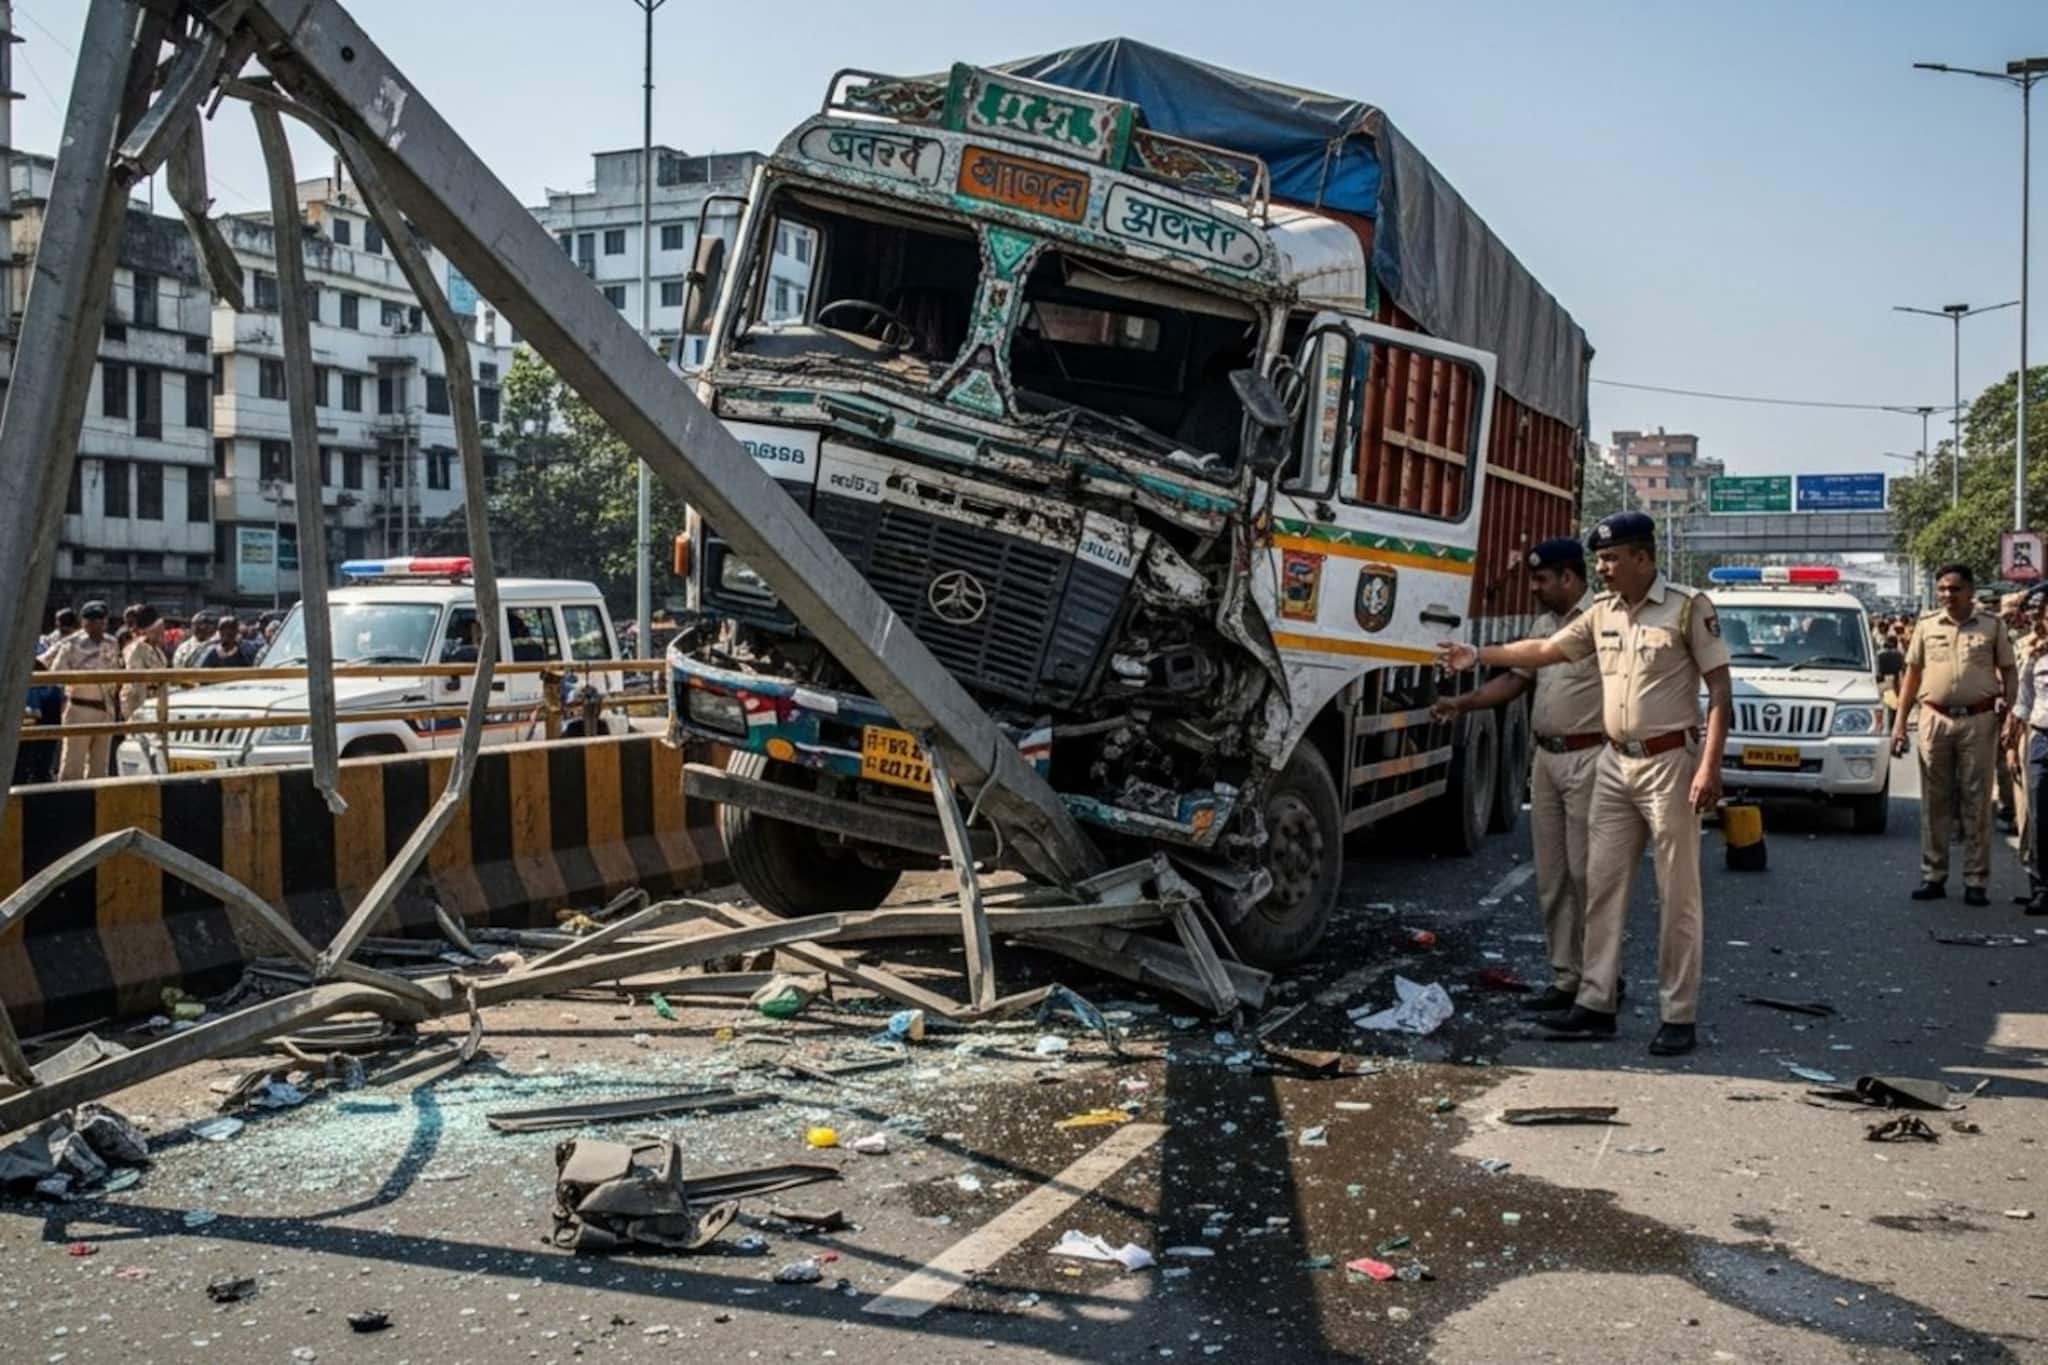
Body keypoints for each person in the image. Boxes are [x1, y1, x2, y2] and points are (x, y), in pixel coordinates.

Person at [1438, 511, 1733, 1057]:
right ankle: (1596, 1003)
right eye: (1599, 560)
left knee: (1678, 894)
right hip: (1614, 765)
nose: (1603, 569)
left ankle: (1678, 1014)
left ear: (1643, 559)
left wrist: (1710, 767)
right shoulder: (1602, 614)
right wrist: (1478, 654)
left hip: (1670, 763)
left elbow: (1719, 691)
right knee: (1598, 886)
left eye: (1612, 559)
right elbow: (1545, 651)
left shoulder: (1688, 608)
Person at [1432, 537, 1604, 1015]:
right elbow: (1515, 683)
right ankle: (1566, 978)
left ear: (1569, 577)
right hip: (1545, 760)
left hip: (1590, 759)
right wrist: (1461, 704)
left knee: (1589, 877)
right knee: (1553, 879)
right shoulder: (1544, 623)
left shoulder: (1601, 620)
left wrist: (1479, 652)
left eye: (1542, 579)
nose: (1534, 588)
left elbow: (1540, 653)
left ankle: (1601, 981)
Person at [1890, 564, 2017, 905]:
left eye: (1955, 589)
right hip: (1935, 720)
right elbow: (1912, 675)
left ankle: (1976, 880)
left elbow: (2009, 670)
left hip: (1979, 720)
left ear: (1971, 591)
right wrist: (1900, 724)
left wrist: (2011, 717)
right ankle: (1933, 875)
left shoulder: (1992, 626)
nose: (1947, 595)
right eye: (1943, 589)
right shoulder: (1927, 626)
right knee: (1935, 800)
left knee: (1977, 801)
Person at [37, 599, 124, 781]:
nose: (98, 625)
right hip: (79, 708)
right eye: (92, 621)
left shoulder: (112, 642)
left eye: (102, 621)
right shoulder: (71, 644)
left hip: (106, 709)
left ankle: (96, 806)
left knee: (100, 768)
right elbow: (55, 674)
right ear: (84, 622)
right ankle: (69, 805)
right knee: (72, 767)